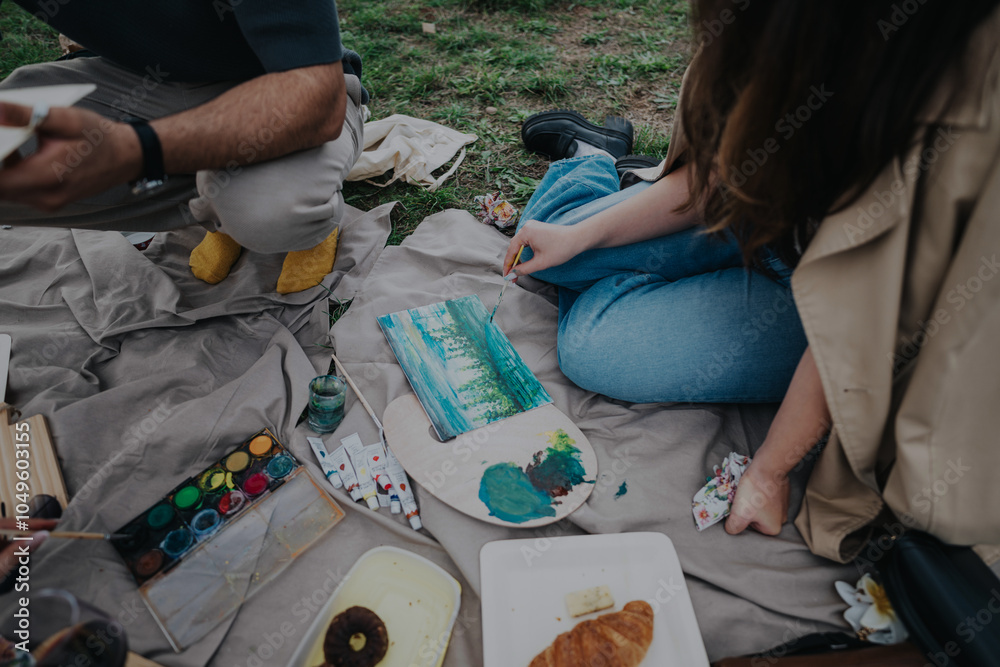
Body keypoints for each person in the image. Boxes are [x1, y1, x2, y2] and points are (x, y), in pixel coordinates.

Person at [509, 0, 1000, 561]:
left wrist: (769, 471)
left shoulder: (937, 112)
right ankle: (596, 160)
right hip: (751, 227)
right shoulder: (773, 40)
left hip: (816, 313)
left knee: (590, 348)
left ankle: (607, 182)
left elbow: (855, 329)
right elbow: (715, 180)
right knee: (559, 247)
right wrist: (581, 240)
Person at [0, 1, 368, 293]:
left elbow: (315, 100)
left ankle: (314, 225)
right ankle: (216, 217)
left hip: (282, 81)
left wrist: (136, 151)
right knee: (16, 149)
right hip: (138, 80)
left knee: (271, 211)